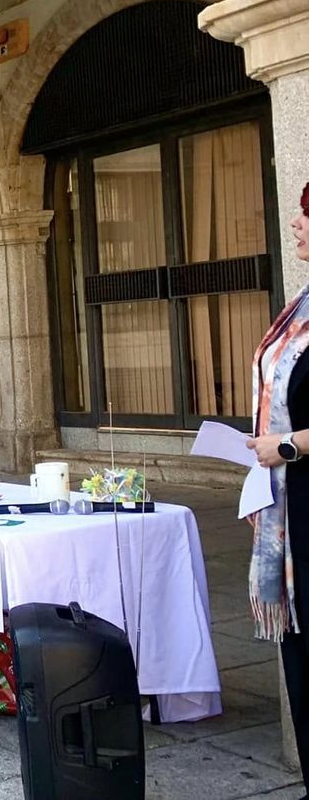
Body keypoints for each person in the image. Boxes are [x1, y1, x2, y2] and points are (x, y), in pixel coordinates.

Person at [247, 182, 309, 786]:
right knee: (299, 650)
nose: (295, 224)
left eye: (306, 216)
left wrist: (287, 445)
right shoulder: (302, 306)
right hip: (290, 509)